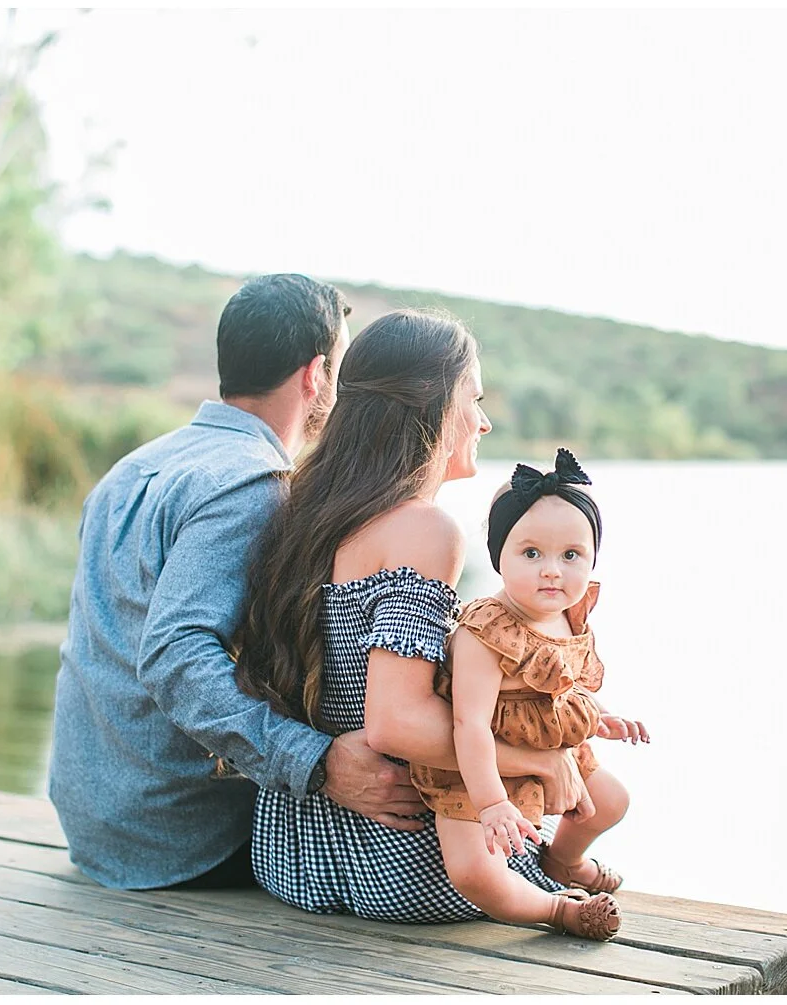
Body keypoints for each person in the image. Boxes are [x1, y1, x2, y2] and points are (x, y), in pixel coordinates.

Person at [48, 274, 430, 890]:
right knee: (414, 834)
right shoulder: (251, 484)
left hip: (91, 817)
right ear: (316, 375)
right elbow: (176, 658)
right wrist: (320, 764)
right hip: (181, 835)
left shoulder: (133, 468)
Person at [235, 308, 593, 924]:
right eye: (472, 399)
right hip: (390, 857)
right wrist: (535, 759)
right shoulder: (425, 531)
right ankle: (562, 871)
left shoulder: (310, 508)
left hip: (293, 852)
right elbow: (396, 723)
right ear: (431, 409)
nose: (483, 421)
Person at [410, 448, 650, 941]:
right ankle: (557, 910)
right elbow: (468, 724)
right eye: (531, 553)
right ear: (499, 554)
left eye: (571, 556)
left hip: (551, 739)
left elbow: (568, 681)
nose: (552, 572)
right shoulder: (485, 630)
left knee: (610, 801)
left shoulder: (570, 611)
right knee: (474, 872)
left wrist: (601, 717)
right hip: (480, 768)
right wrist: (492, 801)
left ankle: (563, 860)